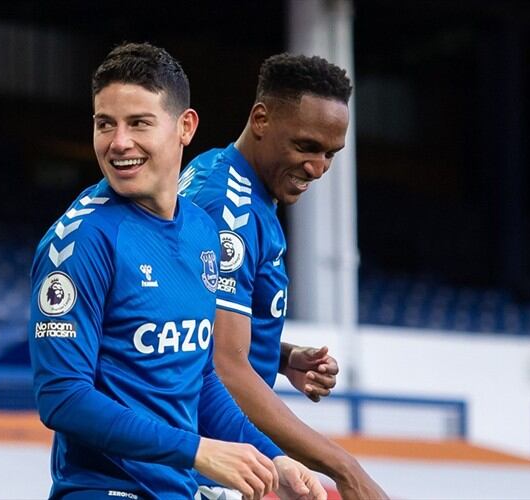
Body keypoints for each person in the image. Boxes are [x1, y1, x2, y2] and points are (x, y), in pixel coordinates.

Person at [29, 43, 327, 500]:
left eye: (139, 123)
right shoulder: (79, 241)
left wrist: (274, 458)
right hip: (106, 490)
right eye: (105, 123)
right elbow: (62, 397)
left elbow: (200, 377)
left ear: (185, 127)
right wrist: (197, 451)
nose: (118, 142)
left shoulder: (203, 232)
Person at [179, 53, 388, 500]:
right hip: (202, 467)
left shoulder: (226, 177)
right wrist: (346, 470)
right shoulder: (230, 210)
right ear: (261, 119)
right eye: (306, 146)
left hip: (218, 460)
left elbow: (194, 325)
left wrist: (279, 355)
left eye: (330, 154)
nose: (318, 168)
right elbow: (223, 367)